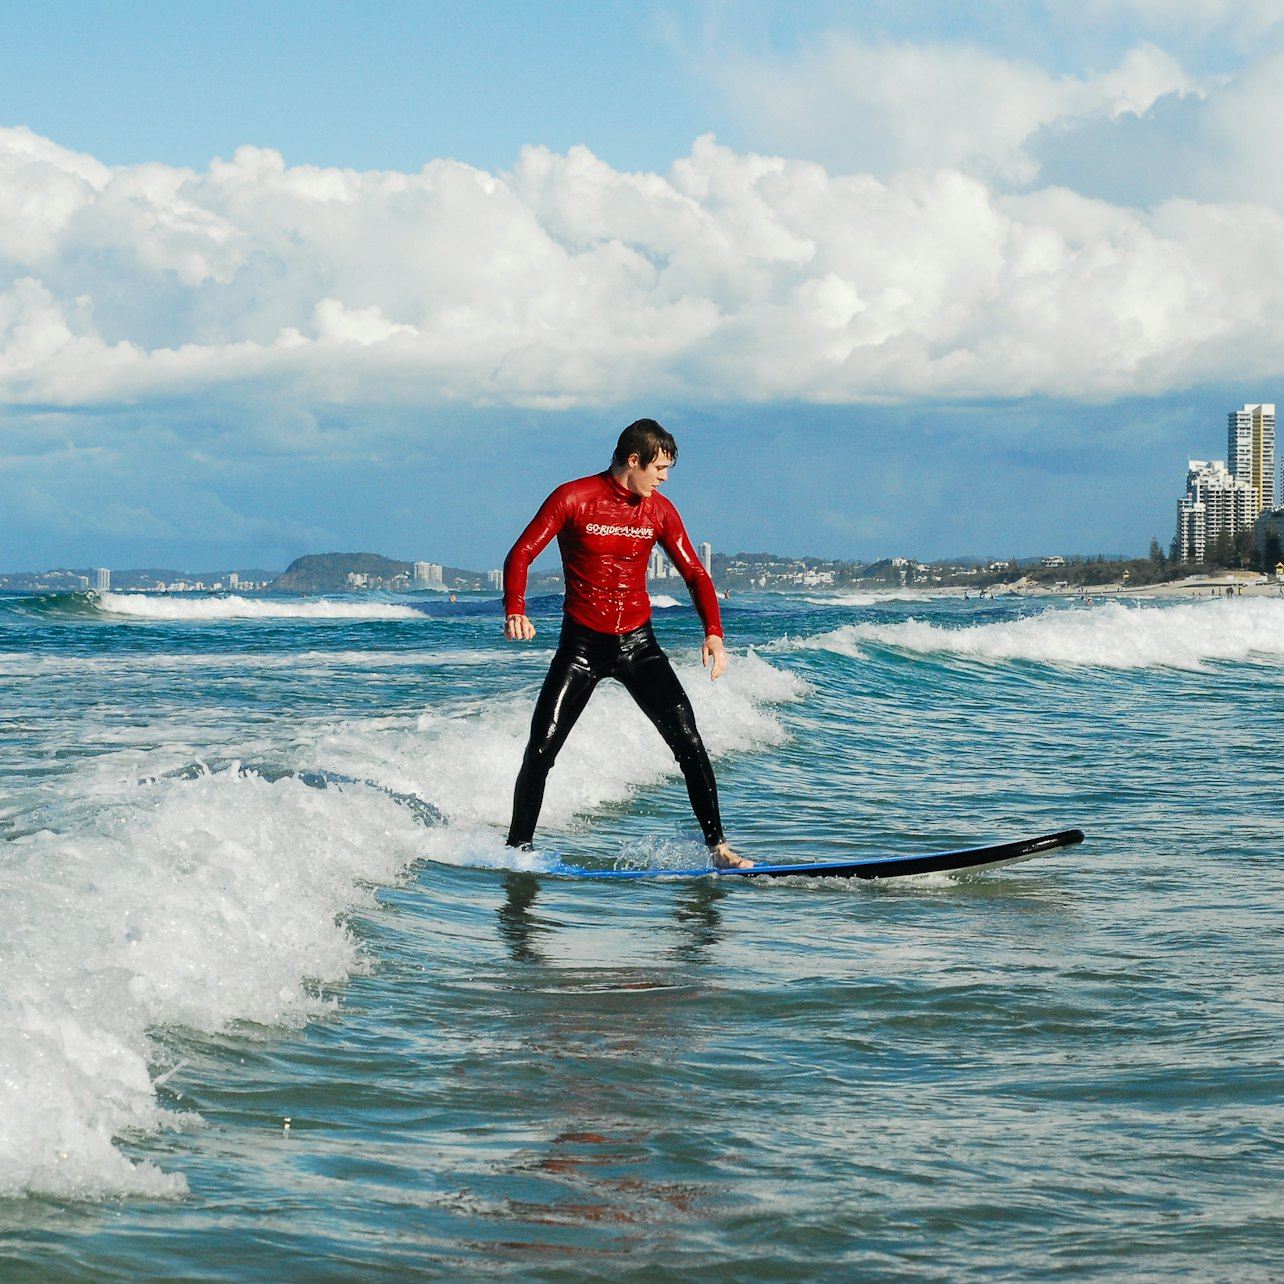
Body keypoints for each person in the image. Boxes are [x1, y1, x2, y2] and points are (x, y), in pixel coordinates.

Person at [502, 419, 750, 868]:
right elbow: (521, 552)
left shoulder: (659, 510)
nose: (664, 478)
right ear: (632, 460)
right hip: (581, 646)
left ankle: (718, 847)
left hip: (638, 645)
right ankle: (516, 851)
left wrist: (714, 632)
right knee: (541, 748)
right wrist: (515, 608)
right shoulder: (573, 498)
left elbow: (694, 572)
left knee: (689, 740)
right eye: (659, 467)